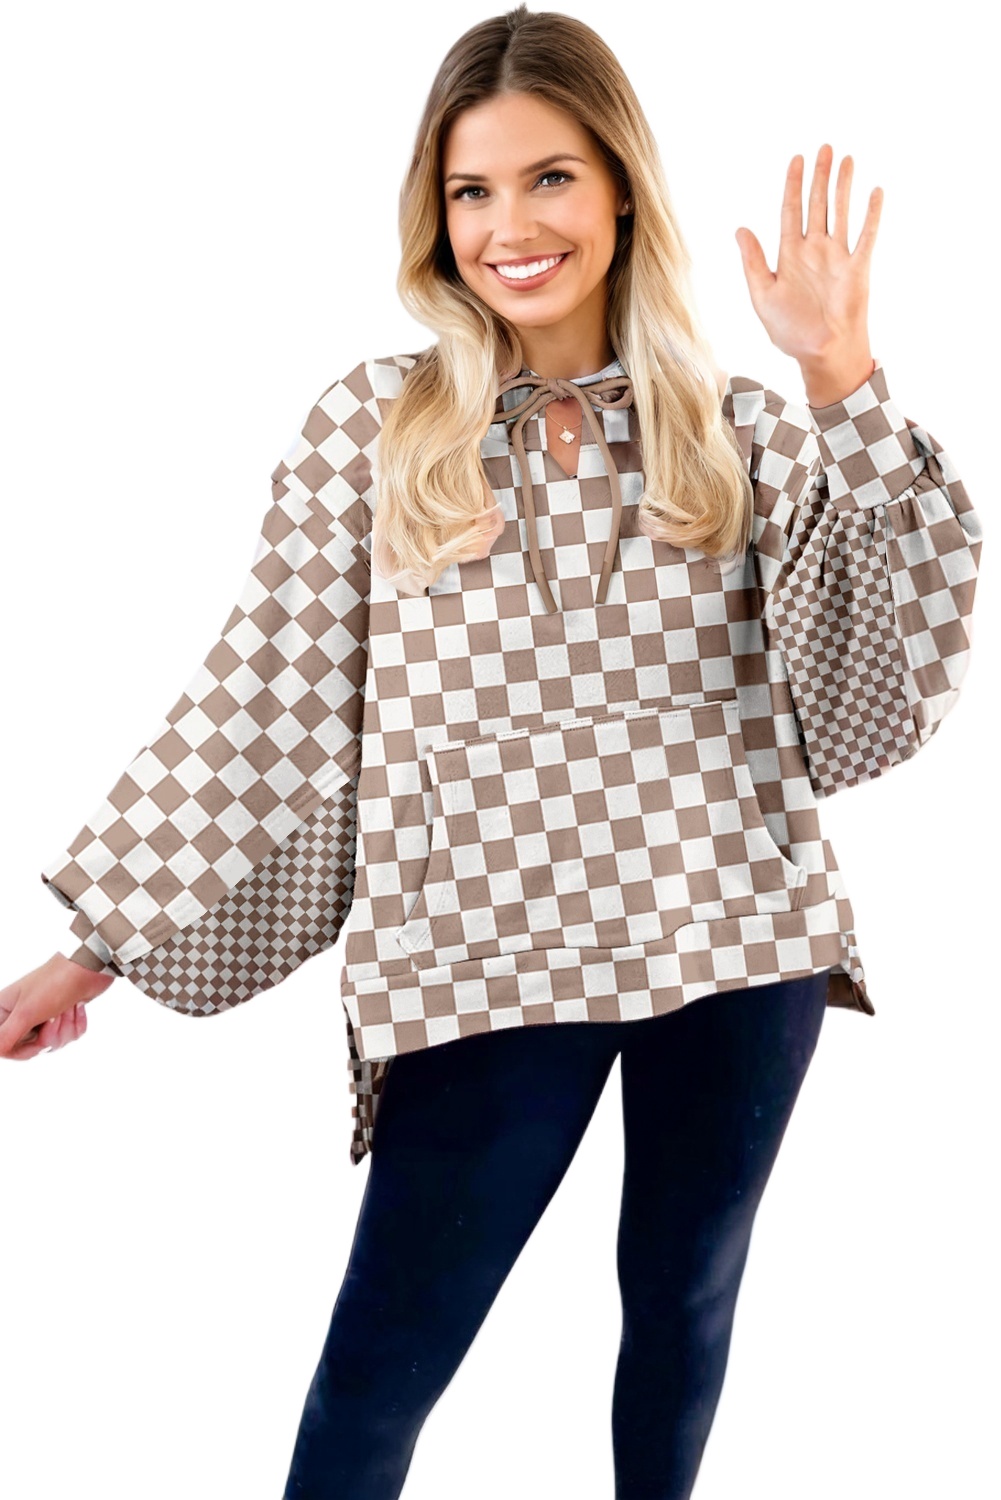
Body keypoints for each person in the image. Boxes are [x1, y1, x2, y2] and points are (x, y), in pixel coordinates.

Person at [0, 6, 983, 1498]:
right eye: (472, 190)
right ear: (435, 211)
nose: (509, 227)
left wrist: (840, 374)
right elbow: (268, 693)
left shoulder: (738, 431)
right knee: (378, 1364)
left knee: (683, 1312)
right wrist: (98, 945)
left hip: (737, 940)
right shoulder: (377, 429)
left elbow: (884, 684)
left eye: (549, 178)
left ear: (620, 190)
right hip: (478, 957)